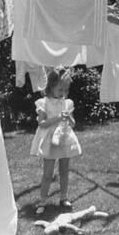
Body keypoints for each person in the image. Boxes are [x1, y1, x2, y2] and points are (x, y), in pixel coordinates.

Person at [30, 67, 82, 215]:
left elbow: (72, 124)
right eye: (60, 89)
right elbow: (42, 124)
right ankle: (43, 200)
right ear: (51, 86)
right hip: (49, 140)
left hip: (64, 137)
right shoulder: (44, 103)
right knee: (48, 173)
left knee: (64, 170)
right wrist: (58, 118)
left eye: (66, 90)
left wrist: (68, 117)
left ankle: (63, 197)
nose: (63, 93)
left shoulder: (67, 103)